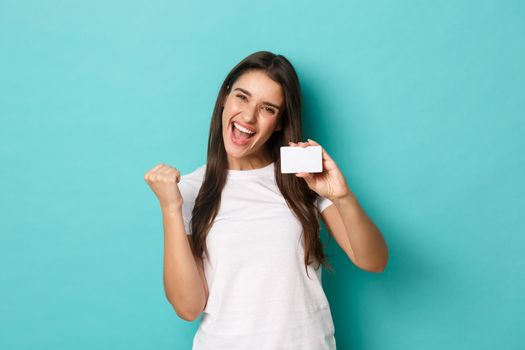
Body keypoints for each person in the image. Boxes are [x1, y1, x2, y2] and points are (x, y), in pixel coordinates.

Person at [144, 51, 389, 349]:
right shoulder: (191, 189)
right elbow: (188, 307)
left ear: (279, 122)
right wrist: (171, 209)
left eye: (267, 108)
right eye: (242, 97)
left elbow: (374, 261)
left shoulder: (301, 174)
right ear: (225, 97)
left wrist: (342, 197)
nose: (248, 117)